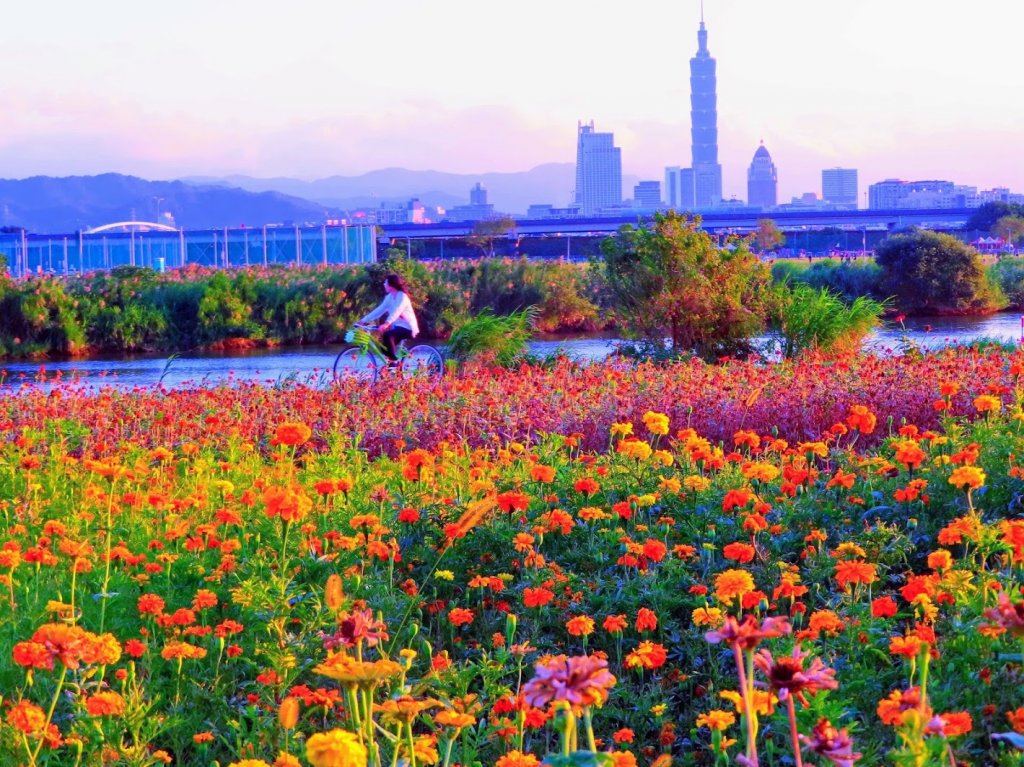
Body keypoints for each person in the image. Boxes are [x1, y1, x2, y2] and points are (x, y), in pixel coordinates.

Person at [358, 274, 420, 363]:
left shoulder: (402, 297)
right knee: (383, 348)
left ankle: (393, 363)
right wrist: (363, 320)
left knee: (388, 335)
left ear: (392, 285)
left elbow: (397, 311)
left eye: (385, 283)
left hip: (408, 327)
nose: (384, 284)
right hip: (398, 327)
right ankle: (393, 365)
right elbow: (379, 310)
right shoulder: (389, 297)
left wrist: (386, 324)